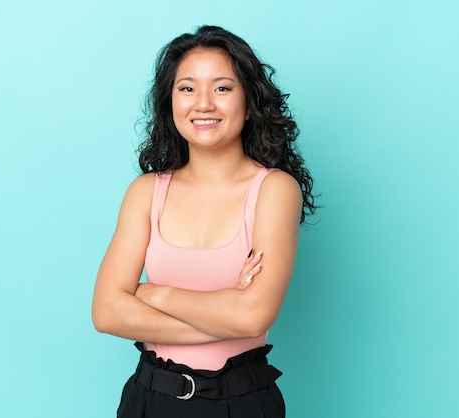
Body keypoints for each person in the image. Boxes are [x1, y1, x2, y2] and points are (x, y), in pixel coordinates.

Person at [92, 25, 316, 418]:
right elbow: (107, 312)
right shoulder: (146, 191)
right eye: (187, 88)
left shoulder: (275, 190)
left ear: (249, 104)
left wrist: (152, 294)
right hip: (148, 396)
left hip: (240, 401)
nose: (204, 104)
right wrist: (224, 316)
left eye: (223, 88)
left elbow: (253, 317)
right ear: (170, 103)